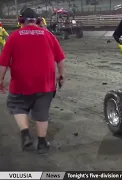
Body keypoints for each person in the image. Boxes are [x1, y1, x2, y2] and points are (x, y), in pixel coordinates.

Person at [0, 8, 66, 154]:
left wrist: (1, 80)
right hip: (45, 84)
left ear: (21, 21)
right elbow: (60, 59)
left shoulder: (14, 36)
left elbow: (3, 62)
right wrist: (61, 75)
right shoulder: (49, 35)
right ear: (38, 21)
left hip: (21, 83)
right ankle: (42, 143)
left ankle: (25, 134)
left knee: (18, 106)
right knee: (42, 112)